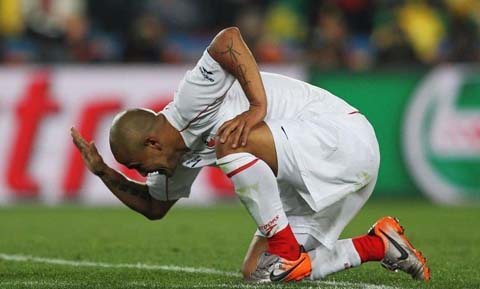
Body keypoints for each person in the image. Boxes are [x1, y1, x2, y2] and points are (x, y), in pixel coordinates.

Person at [71, 27, 430, 282]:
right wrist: (103, 172)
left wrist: (257, 107)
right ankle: (379, 244)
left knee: (228, 140)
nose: (146, 173)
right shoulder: (174, 156)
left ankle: (288, 251)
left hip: (342, 137)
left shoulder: (189, 101)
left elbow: (228, 38)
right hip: (319, 167)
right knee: (258, 271)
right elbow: (154, 207)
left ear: (152, 144)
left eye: (138, 167)